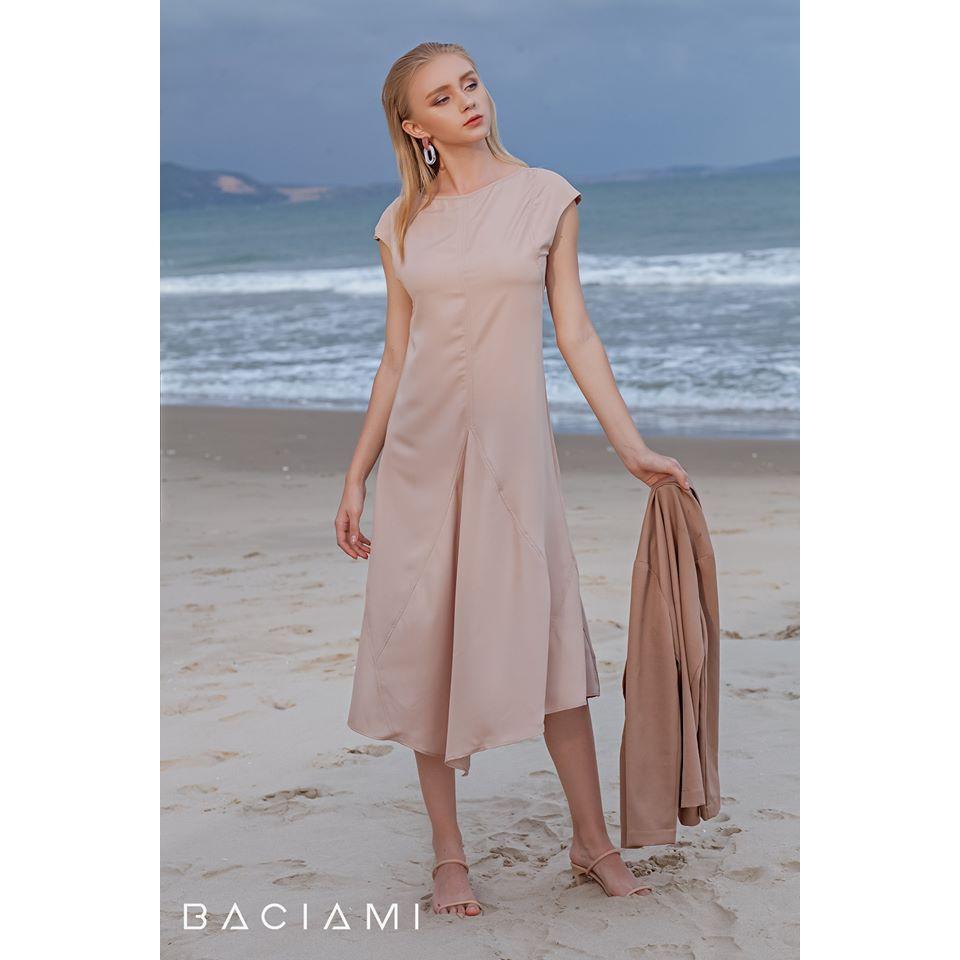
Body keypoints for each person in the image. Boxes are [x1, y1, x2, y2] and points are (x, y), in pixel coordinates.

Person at [335, 42, 691, 917]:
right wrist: (355, 476)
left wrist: (631, 446)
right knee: (426, 642)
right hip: (420, 459)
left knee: (548, 633)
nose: (467, 101)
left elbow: (576, 333)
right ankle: (448, 855)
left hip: (514, 456)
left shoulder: (545, 195)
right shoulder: (400, 223)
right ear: (414, 127)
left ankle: (592, 841)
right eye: (441, 97)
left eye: (470, 83)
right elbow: (395, 357)